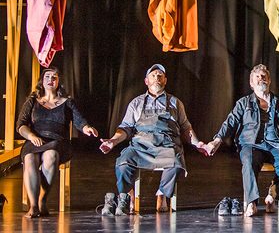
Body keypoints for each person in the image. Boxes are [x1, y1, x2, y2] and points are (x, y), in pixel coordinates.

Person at [206, 64, 279, 217]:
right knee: (249, 161)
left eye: (264, 76)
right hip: (251, 144)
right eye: (257, 77)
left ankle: (272, 194)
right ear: (251, 83)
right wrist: (217, 140)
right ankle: (252, 202)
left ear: (269, 81)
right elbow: (230, 122)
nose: (261, 79)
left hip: (276, 144)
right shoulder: (244, 103)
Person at [99, 64, 207, 215]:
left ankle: (161, 193)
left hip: (166, 146)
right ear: (146, 81)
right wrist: (113, 141)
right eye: (153, 75)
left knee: (177, 163)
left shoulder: (175, 102)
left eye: (160, 76)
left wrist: (198, 143)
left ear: (165, 81)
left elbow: (185, 127)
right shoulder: (136, 103)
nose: (157, 78)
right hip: (140, 146)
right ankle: (128, 195)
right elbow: (125, 128)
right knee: (123, 163)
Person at [17, 67, 98, 218]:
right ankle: (33, 206)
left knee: (51, 155)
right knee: (30, 157)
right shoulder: (32, 101)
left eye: (54, 77)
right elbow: (21, 125)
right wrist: (31, 136)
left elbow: (79, 121)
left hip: (58, 141)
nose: (50, 80)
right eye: (47, 76)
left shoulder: (67, 102)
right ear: (42, 81)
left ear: (58, 82)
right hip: (35, 140)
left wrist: (87, 128)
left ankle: (42, 200)